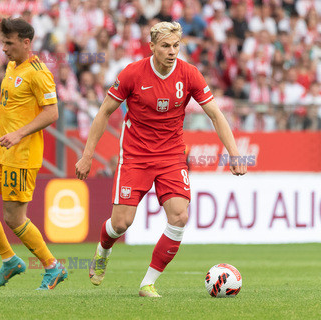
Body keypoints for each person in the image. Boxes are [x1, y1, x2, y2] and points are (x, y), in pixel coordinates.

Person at [75, 21, 247, 297]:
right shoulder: (132, 74)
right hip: (135, 156)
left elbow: (216, 114)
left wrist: (235, 153)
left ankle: (148, 283)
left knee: (179, 217)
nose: (171, 51)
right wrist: (87, 156)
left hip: (171, 156)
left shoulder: (189, 74)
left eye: (176, 46)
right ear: (152, 46)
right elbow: (103, 113)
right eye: (165, 46)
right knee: (121, 224)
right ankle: (103, 249)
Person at [0, 18, 67, 290]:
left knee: (14, 218)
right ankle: (10, 260)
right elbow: (10, 106)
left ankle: (53, 267)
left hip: (21, 154)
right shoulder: (13, 66)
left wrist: (19, 134)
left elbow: (52, 113)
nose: (3, 48)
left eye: (9, 42)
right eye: (3, 42)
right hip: (1, 149)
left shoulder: (39, 72)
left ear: (26, 43)